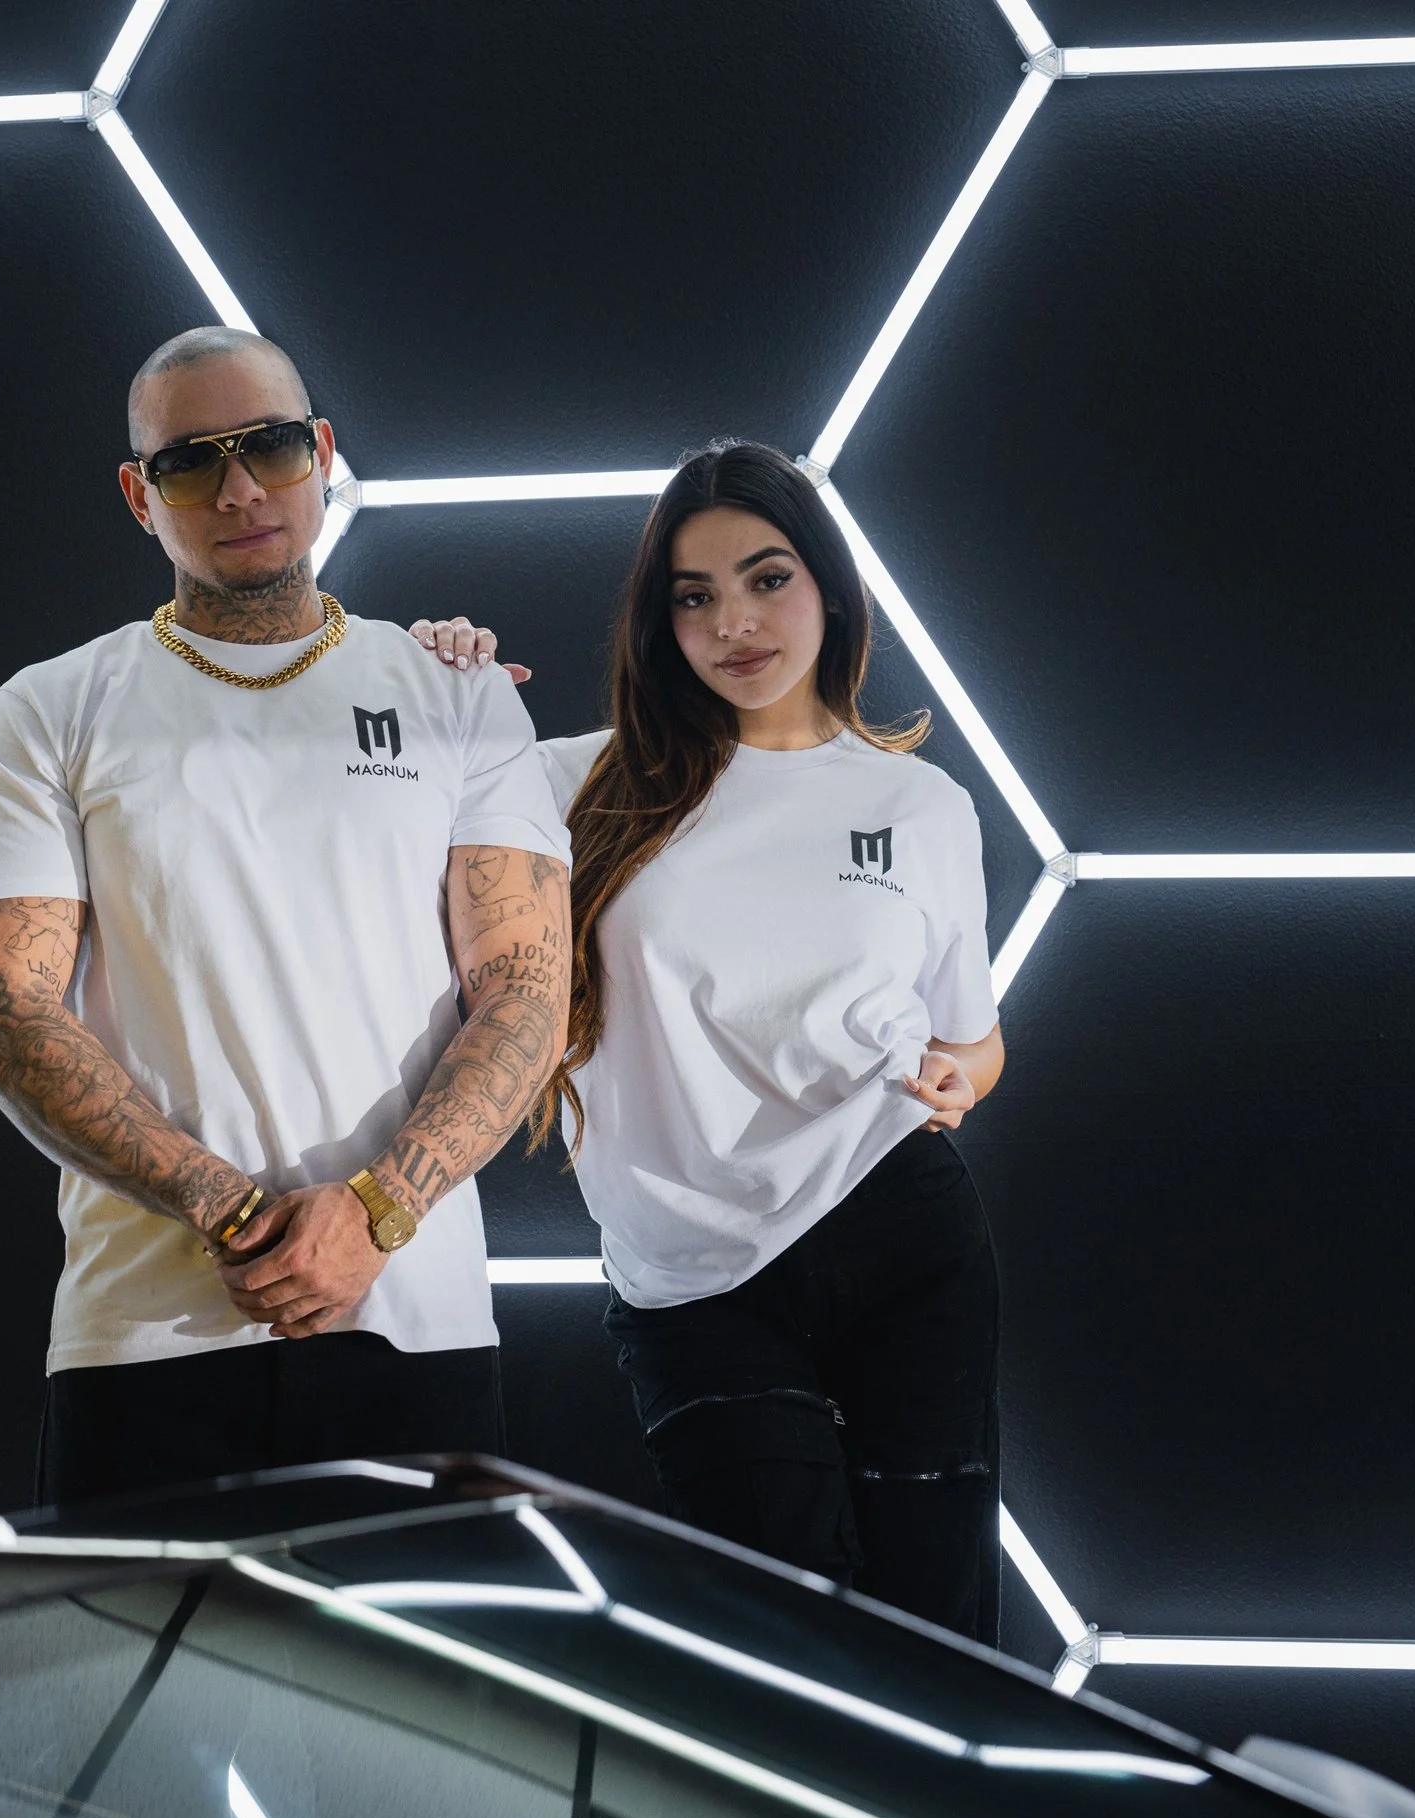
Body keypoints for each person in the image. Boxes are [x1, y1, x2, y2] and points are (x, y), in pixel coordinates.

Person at [0, 326, 573, 1506]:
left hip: (415, 1332)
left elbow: (529, 989)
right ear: (140, 495)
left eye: (271, 446)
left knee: (413, 1702)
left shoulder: (458, 695)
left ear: (322, 455)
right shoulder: (51, 709)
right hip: (144, 1343)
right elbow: (0, 1007)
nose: (238, 489)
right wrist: (229, 1211)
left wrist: (379, 1213)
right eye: (190, 463)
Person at [410, 442, 1006, 1640]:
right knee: (764, 1630)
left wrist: (958, 1077)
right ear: (657, 620)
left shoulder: (922, 808)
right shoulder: (569, 782)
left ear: (828, 590)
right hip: (688, 1277)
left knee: (936, 1627)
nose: (733, 621)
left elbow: (976, 1044)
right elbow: (378, 806)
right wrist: (429, 679)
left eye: (766, 578)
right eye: (693, 595)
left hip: (898, 1230)